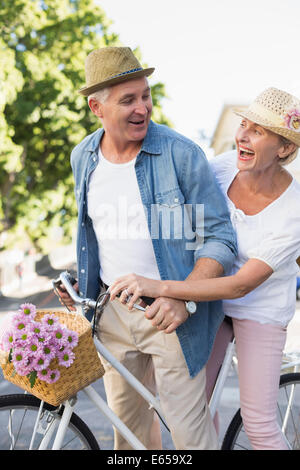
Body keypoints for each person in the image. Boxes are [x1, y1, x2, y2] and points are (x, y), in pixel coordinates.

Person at [55, 46, 237, 450]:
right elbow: (98, 231)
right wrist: (79, 284)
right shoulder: (82, 156)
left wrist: (182, 299)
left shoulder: (180, 154)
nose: (143, 108)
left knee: (190, 436)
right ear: (96, 108)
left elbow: (219, 238)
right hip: (113, 313)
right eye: (128, 100)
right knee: (130, 435)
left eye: (145, 95)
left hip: (170, 312)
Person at [110, 87, 300, 450]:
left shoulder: (294, 211)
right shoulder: (220, 168)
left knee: (258, 425)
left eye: (257, 131)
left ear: (285, 148)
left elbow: (241, 286)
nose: (242, 135)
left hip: (259, 310)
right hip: (207, 299)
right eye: (243, 124)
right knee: (194, 412)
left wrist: (163, 287)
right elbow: (177, 221)